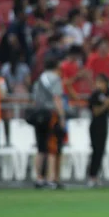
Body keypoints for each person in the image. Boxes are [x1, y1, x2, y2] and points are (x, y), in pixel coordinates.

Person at [32, 57, 66, 189]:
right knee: (52, 147)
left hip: (38, 114)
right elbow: (56, 97)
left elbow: (35, 99)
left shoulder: (39, 79)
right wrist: (62, 116)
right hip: (51, 115)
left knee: (40, 148)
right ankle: (52, 178)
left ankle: (39, 178)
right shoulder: (55, 78)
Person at [87, 74, 109, 187]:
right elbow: (96, 112)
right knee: (96, 150)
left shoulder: (107, 94)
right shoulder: (95, 95)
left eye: (102, 82)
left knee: (101, 151)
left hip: (104, 125)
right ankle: (91, 175)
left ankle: (96, 175)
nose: (100, 85)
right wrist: (106, 104)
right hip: (95, 126)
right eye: (98, 82)